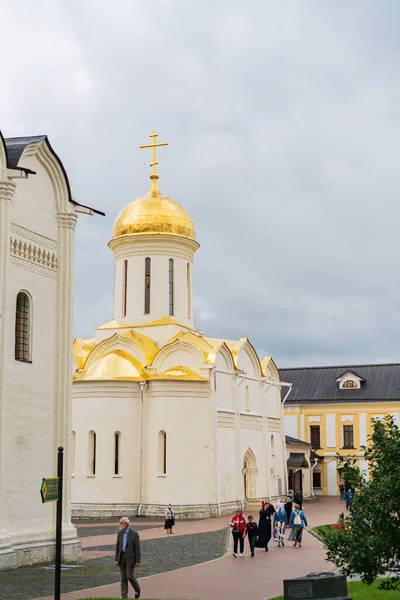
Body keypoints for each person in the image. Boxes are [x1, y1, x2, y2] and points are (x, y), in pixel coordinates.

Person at [115, 516, 141, 599]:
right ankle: (124, 596)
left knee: (129, 576)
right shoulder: (120, 533)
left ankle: (137, 589)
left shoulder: (134, 534)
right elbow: (117, 547)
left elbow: (137, 548)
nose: (120, 524)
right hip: (121, 557)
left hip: (130, 558)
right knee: (123, 577)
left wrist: (138, 561)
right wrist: (116, 559)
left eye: (121, 523)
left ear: (126, 524)